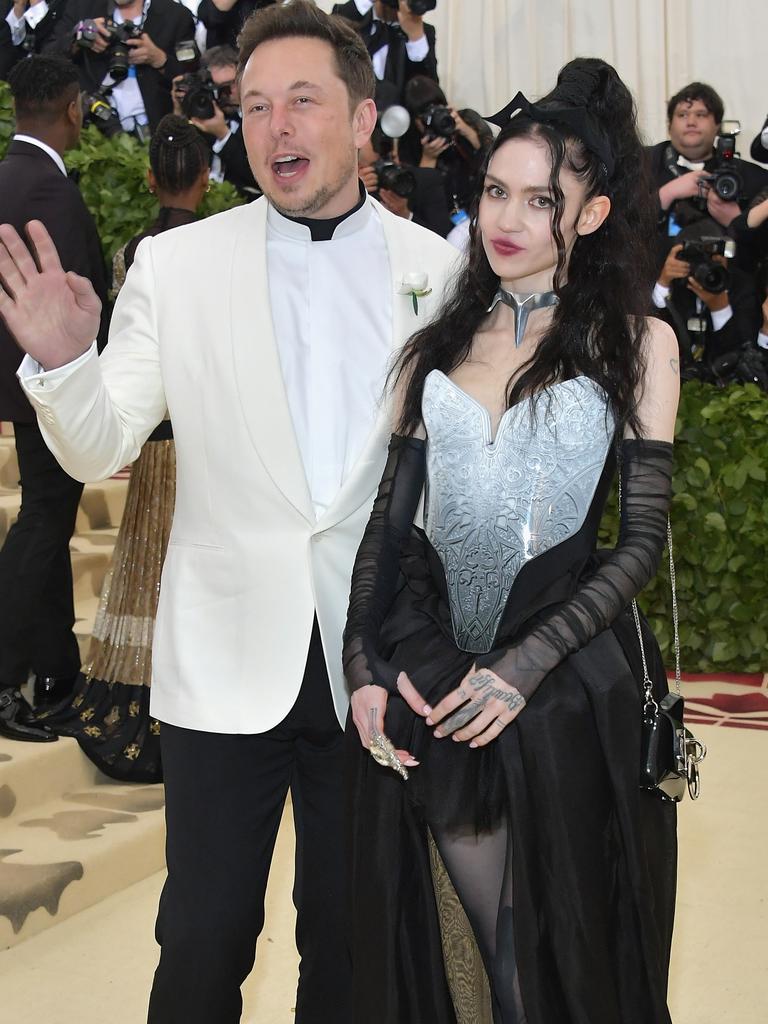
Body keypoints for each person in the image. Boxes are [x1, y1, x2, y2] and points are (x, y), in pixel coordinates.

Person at [0, 2, 457, 1021]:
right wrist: (67, 362)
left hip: (373, 669)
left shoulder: (441, 271)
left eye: (303, 100)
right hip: (220, 668)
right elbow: (103, 440)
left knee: (351, 947)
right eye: (253, 106)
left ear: (365, 116)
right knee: (202, 941)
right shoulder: (179, 265)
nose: (276, 126)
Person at [343, 57, 681, 1023]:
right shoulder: (437, 346)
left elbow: (639, 542)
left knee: (553, 958)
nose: (508, 219)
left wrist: (527, 666)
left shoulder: (639, 344)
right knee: (461, 953)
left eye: (542, 200)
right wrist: (363, 663)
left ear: (592, 214)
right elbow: (386, 527)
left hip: (564, 685)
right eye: (497, 190)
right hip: (434, 672)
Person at [37, 114, 211, 781]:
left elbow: (128, 349)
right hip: (202, 442)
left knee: (143, 569)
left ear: (148, 178)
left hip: (153, 441)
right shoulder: (214, 247)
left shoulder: (138, 250)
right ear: (204, 177)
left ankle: (136, 712)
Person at [0, 55, 109, 743]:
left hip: (20, 385)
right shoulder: (50, 193)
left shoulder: (12, 176)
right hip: (45, 388)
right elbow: (74, 301)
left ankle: (56, 669)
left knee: (48, 518)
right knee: (43, 522)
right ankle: (9, 672)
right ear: (73, 109)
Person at [50, 0, 199, 135]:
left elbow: (193, 78)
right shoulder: (82, 8)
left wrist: (160, 60)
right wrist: (79, 38)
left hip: (157, 131)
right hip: (93, 129)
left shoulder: (176, 15)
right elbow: (47, 58)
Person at [646, 82, 768, 243]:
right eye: (682, 115)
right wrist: (666, 194)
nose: (691, 122)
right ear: (669, 126)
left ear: (717, 125)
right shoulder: (642, 163)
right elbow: (621, 224)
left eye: (701, 114)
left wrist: (736, 220)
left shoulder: (749, 175)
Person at [401, 73, 493, 220]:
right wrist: (428, 159)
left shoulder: (466, 118)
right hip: (442, 222)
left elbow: (493, 159)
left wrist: (467, 132)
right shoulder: (411, 145)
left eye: (439, 107)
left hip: (479, 211)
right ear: (415, 120)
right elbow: (416, 204)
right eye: (425, 116)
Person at [174, 43, 260, 198]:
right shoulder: (198, 114)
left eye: (231, 84)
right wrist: (179, 112)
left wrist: (223, 135)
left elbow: (257, 176)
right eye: (218, 87)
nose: (226, 93)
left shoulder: (259, 117)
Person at [333, 0, 437, 108]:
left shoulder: (424, 32)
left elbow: (429, 93)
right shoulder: (349, 17)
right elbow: (332, 28)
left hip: (399, 119)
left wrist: (416, 39)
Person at [0, 0, 67, 77]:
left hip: (49, 74)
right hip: (11, 75)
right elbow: (7, 43)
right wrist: (19, 6)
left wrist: (36, 4)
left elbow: (52, 43)